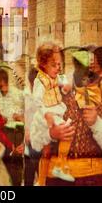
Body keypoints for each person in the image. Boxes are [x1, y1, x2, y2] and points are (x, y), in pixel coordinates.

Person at [31, 46, 102, 186]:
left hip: (93, 180)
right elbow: (34, 139)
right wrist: (51, 134)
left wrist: (97, 124)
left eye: (92, 67)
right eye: (80, 66)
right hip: (56, 180)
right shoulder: (54, 95)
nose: (85, 71)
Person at [32, 43, 74, 184]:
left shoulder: (57, 76)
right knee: (67, 132)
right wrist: (46, 115)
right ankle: (60, 165)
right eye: (53, 65)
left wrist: (67, 87)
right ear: (43, 64)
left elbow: (65, 83)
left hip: (55, 112)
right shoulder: (40, 80)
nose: (57, 68)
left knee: (47, 151)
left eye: (59, 64)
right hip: (46, 114)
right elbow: (36, 101)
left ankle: (41, 181)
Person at [0, 66, 25, 186]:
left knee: (15, 173)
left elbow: (31, 116)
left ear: (3, 81)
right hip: (0, 136)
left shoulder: (19, 94)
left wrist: (22, 118)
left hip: (17, 134)